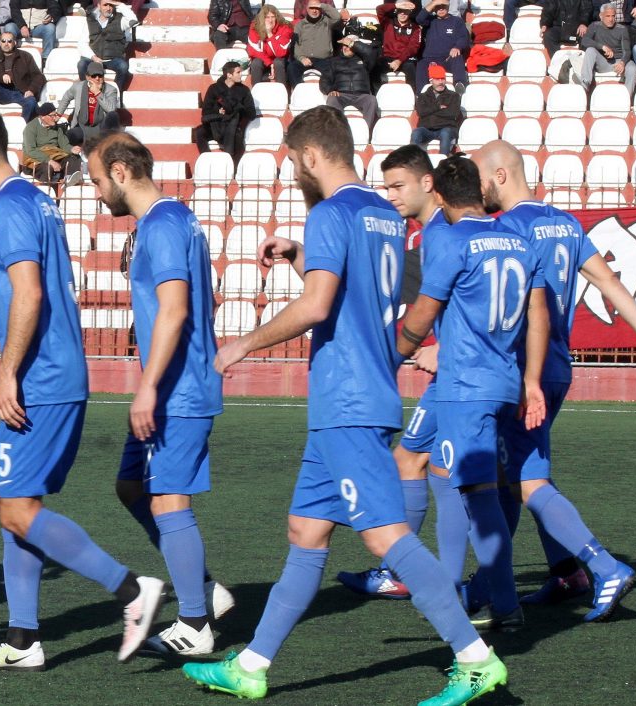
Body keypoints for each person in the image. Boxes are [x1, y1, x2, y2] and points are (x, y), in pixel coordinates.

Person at [181, 107, 508, 705]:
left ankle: (475, 657)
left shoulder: (330, 212)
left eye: (292, 161)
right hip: (359, 392)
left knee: (385, 537)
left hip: (347, 397)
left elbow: (316, 305)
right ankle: (251, 665)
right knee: (306, 530)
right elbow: (352, 289)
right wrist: (299, 253)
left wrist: (241, 345)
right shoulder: (382, 213)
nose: (293, 172)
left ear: (310, 155)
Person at [0, 107, 165, 671]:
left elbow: (29, 293)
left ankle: (132, 591)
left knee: (15, 509)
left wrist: (6, 372)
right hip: (57, 372)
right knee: (18, 504)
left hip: (41, 378)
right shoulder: (30, 200)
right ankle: (22, 640)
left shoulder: (11, 206)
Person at [470, 140, 636, 621]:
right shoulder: (564, 222)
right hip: (558, 367)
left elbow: (512, 307)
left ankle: (603, 567)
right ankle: (562, 573)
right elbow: (608, 281)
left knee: (524, 480)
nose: (476, 190)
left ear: (500, 176)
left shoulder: (508, 229)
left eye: (478, 178)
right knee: (516, 473)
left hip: (526, 372)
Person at [87, 132, 233, 656]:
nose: (97, 191)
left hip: (178, 388)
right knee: (131, 487)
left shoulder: (165, 224)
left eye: (98, 180)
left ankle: (194, 624)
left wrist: (148, 386)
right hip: (172, 384)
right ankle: (205, 589)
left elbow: (175, 307)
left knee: (169, 498)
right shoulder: (169, 220)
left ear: (120, 172)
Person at [397, 155, 550, 634]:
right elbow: (538, 315)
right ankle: (464, 590)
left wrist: (393, 354)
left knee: (478, 496)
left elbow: (425, 310)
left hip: (466, 386)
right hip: (505, 380)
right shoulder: (519, 239)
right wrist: (530, 380)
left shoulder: (451, 240)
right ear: (480, 192)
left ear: (440, 197)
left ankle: (503, 604)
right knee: (463, 483)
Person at [336, 145, 471, 600]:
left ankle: (429, 578)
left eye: (398, 186)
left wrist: (443, 350)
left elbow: (474, 301)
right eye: (386, 186)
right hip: (460, 375)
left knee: (455, 473)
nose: (391, 195)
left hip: (463, 375)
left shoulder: (443, 233)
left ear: (427, 183)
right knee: (422, 463)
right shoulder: (430, 233)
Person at [195, 60, 256, 164]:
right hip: (215, 126)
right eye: (238, 72)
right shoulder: (213, 88)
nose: (241, 75)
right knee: (199, 132)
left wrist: (238, 107)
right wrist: (218, 111)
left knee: (238, 137)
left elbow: (252, 114)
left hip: (233, 127)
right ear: (229, 75)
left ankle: (233, 167)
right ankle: (207, 161)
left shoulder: (244, 90)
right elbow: (205, 112)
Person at [0, 31, 45, 122]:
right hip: (2, 92)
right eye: (3, 41)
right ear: (0, 43)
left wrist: (31, 90)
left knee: (31, 102)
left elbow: (38, 76)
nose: (6, 44)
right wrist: (1, 76)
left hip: (21, 92)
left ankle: (22, 125)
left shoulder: (25, 56)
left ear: (14, 43)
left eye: (9, 41)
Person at [575, 3, 636, 94]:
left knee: (632, 68)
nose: (611, 19)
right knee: (590, 50)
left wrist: (622, 62)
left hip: (618, 62)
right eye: (607, 16)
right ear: (601, 16)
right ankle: (585, 85)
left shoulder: (622, 29)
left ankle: (627, 97)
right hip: (602, 62)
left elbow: (627, 50)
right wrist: (602, 47)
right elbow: (584, 41)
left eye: (613, 16)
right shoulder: (594, 26)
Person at [320, 35, 378, 131]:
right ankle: (337, 132)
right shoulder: (334, 61)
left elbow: (371, 53)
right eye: (344, 45)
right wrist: (330, 90)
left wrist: (352, 43)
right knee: (332, 99)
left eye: (348, 46)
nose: (346, 48)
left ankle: (366, 132)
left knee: (372, 100)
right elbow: (324, 80)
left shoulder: (365, 60)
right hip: (341, 95)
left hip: (361, 95)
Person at [56, 61, 121, 147]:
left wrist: (98, 93)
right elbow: (66, 97)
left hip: (101, 127)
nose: (97, 78)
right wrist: (58, 114)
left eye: (100, 76)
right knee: (69, 136)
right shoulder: (78, 87)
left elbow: (111, 109)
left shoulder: (110, 90)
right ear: (87, 77)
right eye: (94, 76)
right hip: (82, 126)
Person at [78, 0, 134, 93]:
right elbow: (82, 44)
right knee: (81, 64)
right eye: (105, 5)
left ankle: (114, 94)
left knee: (123, 66)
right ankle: (87, 92)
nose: (108, 8)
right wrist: (94, 57)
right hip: (94, 58)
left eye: (111, 5)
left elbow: (134, 20)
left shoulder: (120, 20)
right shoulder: (90, 21)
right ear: (99, 6)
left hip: (112, 59)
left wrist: (120, 4)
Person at [21, 101, 82, 184]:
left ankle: (69, 182)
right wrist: (49, 161)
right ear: (43, 117)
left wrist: (71, 149)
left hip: (54, 156)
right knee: (47, 168)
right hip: (36, 160)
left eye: (55, 115)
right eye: (52, 115)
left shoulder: (57, 128)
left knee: (74, 158)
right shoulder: (30, 128)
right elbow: (30, 150)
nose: (55, 118)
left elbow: (64, 145)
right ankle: (46, 188)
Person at [415, 0, 470, 91]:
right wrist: (433, 3)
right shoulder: (430, 20)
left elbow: (463, 37)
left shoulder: (457, 21)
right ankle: (421, 93)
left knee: (458, 57)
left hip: (448, 59)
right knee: (421, 63)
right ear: (434, 8)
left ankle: (460, 85)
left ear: (448, 6)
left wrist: (457, 47)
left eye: (443, 6)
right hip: (430, 60)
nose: (441, 9)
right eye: (438, 7)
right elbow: (419, 19)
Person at [287, 0, 341, 88]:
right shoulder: (300, 25)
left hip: (324, 60)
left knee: (333, 71)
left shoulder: (327, 22)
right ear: (307, 9)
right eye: (312, 8)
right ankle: (299, 91)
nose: (314, 10)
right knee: (292, 68)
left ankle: (328, 93)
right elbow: (296, 45)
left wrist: (322, 5)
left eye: (317, 8)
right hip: (305, 59)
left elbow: (337, 17)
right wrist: (302, 58)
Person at [410, 64, 463, 154]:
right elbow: (421, 112)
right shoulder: (423, 97)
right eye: (437, 79)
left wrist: (430, 112)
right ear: (431, 80)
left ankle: (444, 159)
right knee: (416, 132)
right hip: (427, 129)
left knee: (445, 133)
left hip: (446, 128)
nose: (441, 82)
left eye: (442, 79)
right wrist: (438, 107)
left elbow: (452, 113)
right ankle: (414, 159)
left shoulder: (454, 96)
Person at [375, 0, 422, 88]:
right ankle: (379, 94)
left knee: (410, 66)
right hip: (388, 57)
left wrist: (399, 60)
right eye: (400, 11)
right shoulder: (387, 22)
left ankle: (412, 93)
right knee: (377, 67)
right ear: (396, 11)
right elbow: (379, 9)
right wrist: (396, 5)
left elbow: (413, 47)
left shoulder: (415, 28)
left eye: (406, 11)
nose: (402, 14)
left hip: (405, 59)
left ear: (410, 12)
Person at [246, 4, 292, 85]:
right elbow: (254, 51)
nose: (270, 20)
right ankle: (255, 90)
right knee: (256, 63)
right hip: (264, 60)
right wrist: (270, 63)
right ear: (262, 18)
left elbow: (281, 53)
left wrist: (269, 33)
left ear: (277, 17)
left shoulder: (285, 28)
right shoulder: (254, 28)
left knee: (278, 62)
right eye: (267, 17)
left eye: (273, 17)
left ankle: (282, 90)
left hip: (280, 60)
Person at [541, 0, 591, 67]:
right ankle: (557, 63)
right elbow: (548, 10)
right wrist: (545, 24)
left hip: (577, 27)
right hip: (559, 27)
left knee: (586, 37)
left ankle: (582, 64)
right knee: (548, 35)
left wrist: (583, 23)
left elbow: (587, 10)